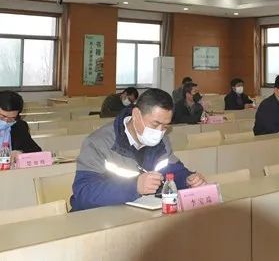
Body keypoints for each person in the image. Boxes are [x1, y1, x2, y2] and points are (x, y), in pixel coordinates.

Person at [71, 88, 206, 210]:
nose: (159, 132)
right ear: (136, 115)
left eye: (165, 127)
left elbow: (173, 169)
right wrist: (135, 186)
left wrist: (188, 179)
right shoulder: (98, 143)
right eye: (155, 124)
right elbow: (84, 192)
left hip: (137, 213)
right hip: (98, 216)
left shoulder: (161, 141)